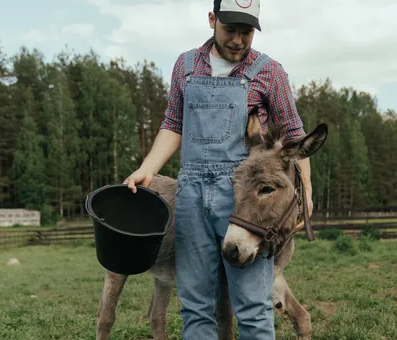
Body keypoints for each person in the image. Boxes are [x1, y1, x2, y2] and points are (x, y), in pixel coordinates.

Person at [124, 0, 313, 338]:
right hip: (191, 196)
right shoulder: (186, 65)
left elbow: (296, 136)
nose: (239, 40)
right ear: (212, 19)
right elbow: (173, 124)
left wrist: (307, 194)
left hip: (243, 199)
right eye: (231, 30)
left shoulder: (270, 72)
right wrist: (147, 168)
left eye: (247, 32)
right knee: (196, 306)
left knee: (253, 306)